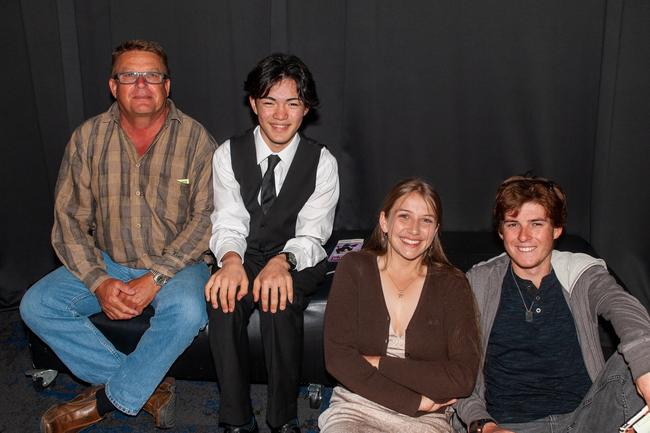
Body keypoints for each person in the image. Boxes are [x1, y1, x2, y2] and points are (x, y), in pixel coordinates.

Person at [19, 39, 217, 432]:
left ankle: (108, 400)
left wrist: (157, 276)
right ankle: (145, 386)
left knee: (190, 311)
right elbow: (69, 220)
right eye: (130, 75)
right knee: (36, 305)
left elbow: (207, 219)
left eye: (152, 76)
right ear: (114, 86)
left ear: (167, 85)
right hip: (109, 260)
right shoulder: (87, 138)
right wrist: (99, 281)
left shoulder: (197, 139)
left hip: (178, 265)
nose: (141, 84)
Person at [205, 53, 339, 433]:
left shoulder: (322, 162)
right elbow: (229, 219)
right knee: (223, 302)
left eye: (292, 103)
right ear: (253, 104)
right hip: (244, 251)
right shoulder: (227, 154)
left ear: (306, 107)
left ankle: (283, 419)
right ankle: (236, 419)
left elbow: (314, 233)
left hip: (298, 254)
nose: (280, 114)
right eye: (269, 101)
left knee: (279, 302)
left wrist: (284, 261)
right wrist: (230, 260)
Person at [454, 175, 650, 433]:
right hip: (510, 427)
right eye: (513, 224)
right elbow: (456, 368)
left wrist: (645, 368)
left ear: (557, 229)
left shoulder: (581, 272)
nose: (524, 236)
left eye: (536, 223)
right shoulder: (478, 282)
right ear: (501, 231)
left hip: (586, 419)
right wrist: (484, 426)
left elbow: (623, 308)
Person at [319, 178, 481, 433]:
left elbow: (462, 378)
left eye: (426, 220)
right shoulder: (355, 267)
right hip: (358, 405)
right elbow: (339, 359)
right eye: (404, 216)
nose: (414, 230)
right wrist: (415, 401)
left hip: (426, 420)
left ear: (435, 229)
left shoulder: (452, 283)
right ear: (385, 221)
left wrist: (378, 363)